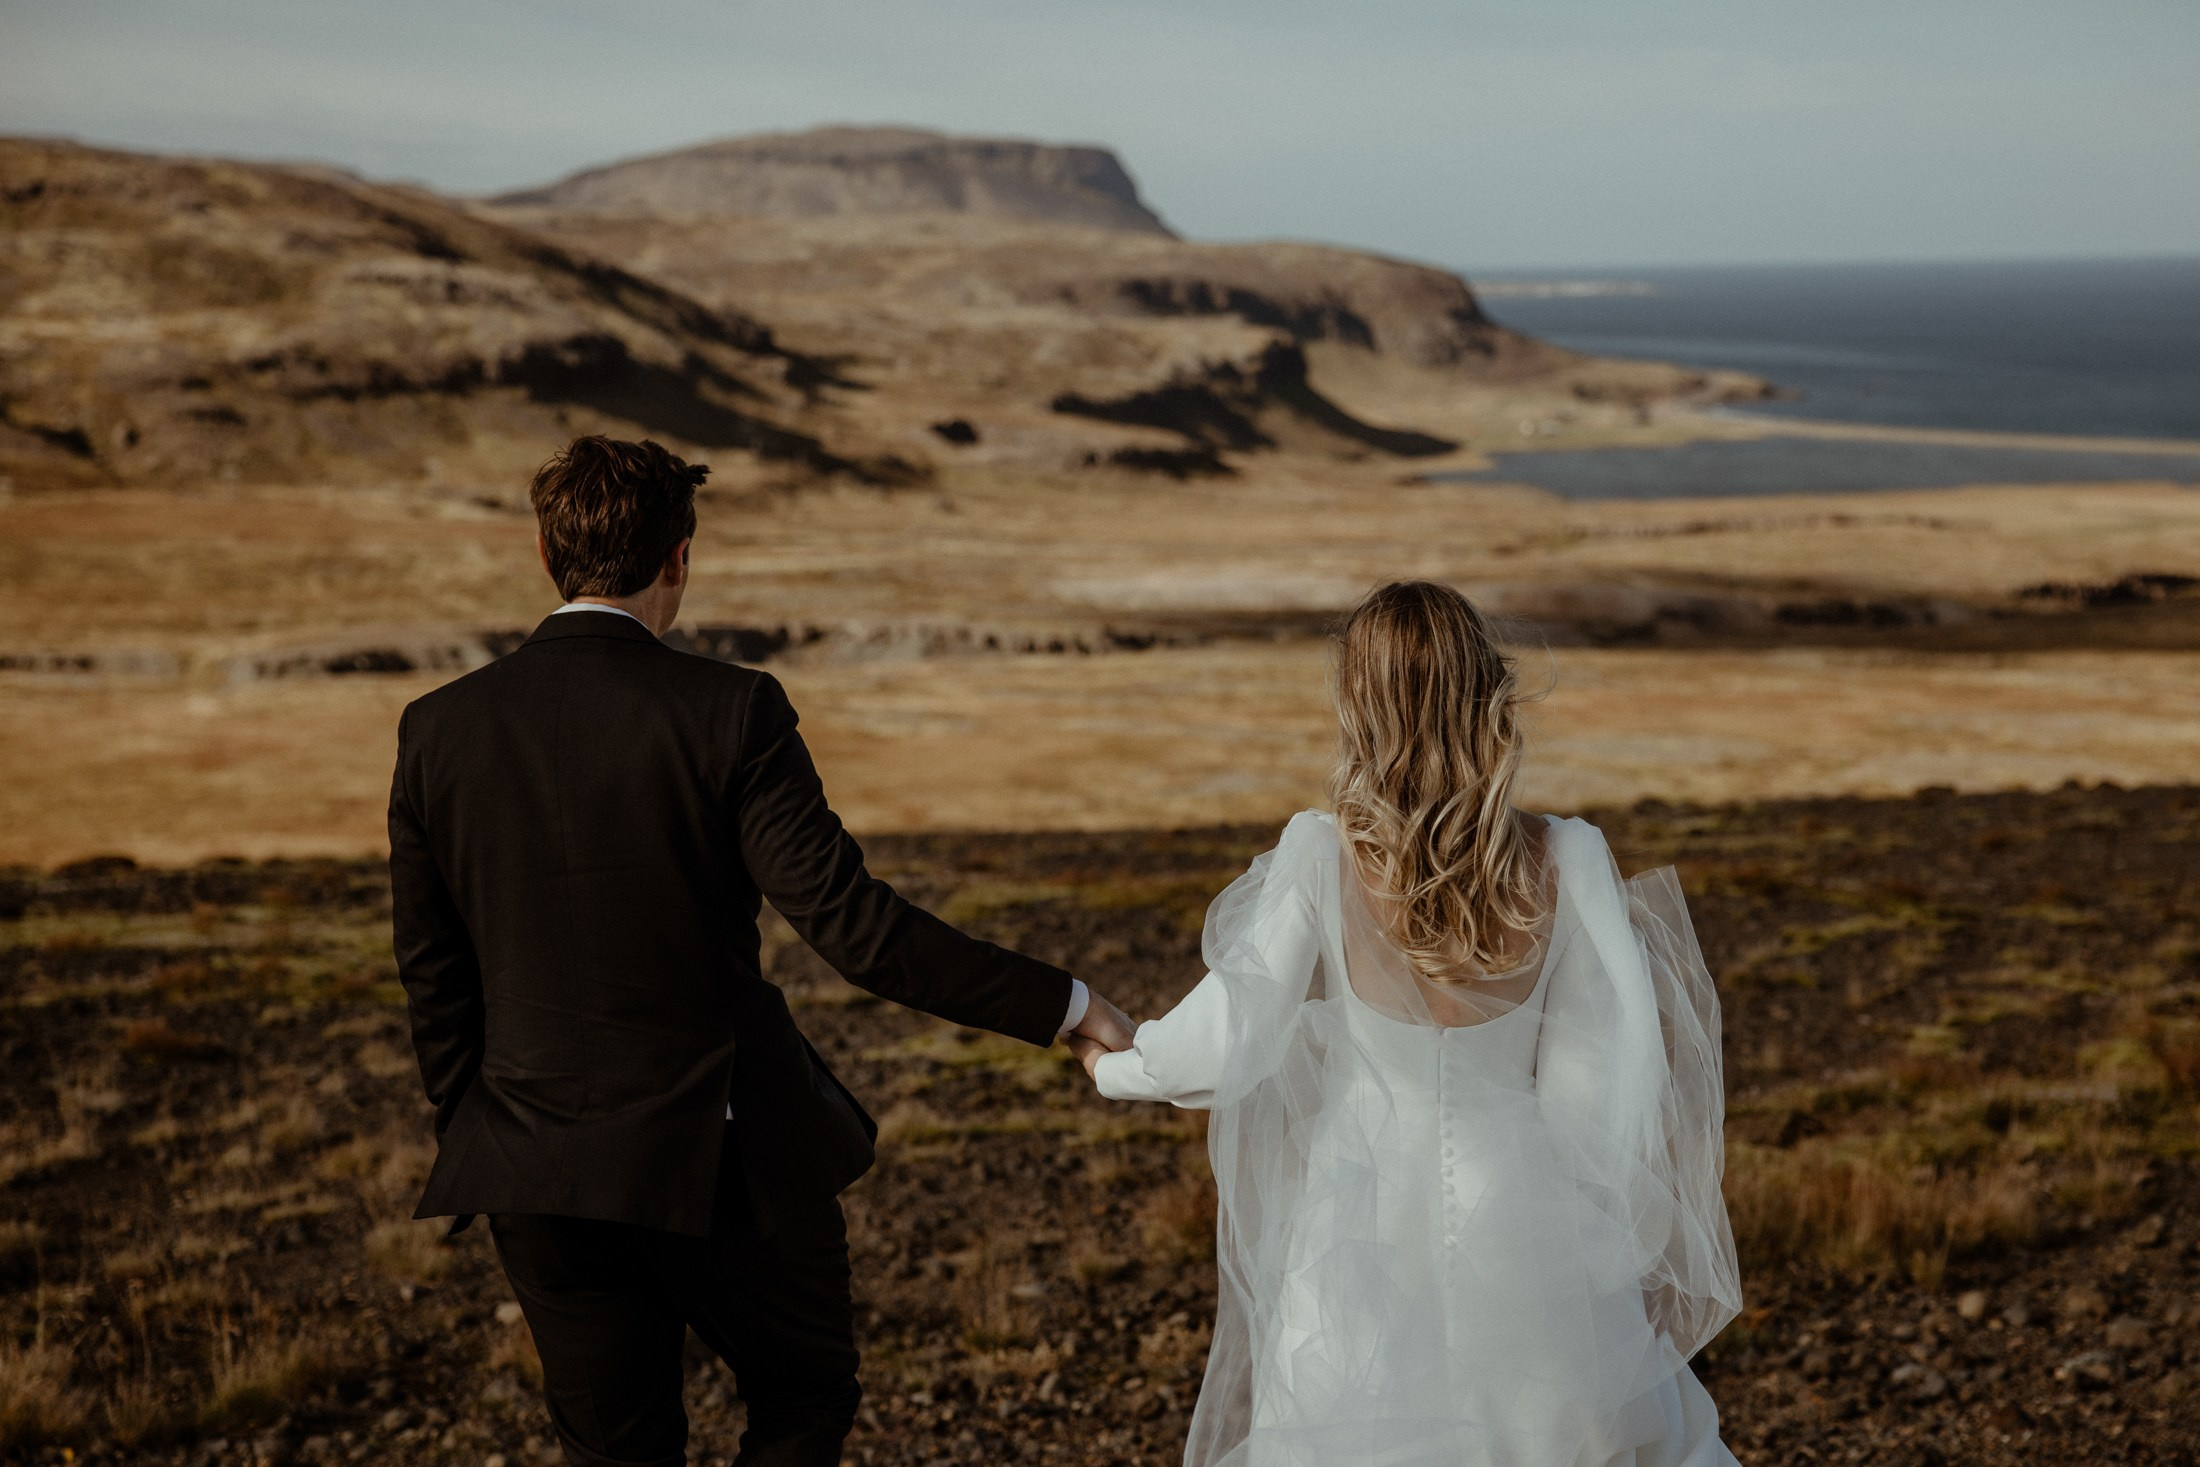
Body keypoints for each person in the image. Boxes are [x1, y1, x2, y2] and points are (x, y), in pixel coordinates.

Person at [387, 435, 1135, 1467]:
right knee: (803, 1397)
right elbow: (858, 932)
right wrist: (1071, 1008)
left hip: (530, 1169)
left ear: (545, 556)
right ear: (678, 560)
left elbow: (433, 975)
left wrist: (481, 1131)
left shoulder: (436, 729)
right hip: (721, 1163)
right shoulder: (730, 712)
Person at [1068, 580, 1743, 1467]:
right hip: (1525, 1216)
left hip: (1359, 1230)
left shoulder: (1320, 854)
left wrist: (1114, 1058)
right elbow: (1604, 1089)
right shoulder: (1567, 857)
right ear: (1484, 696)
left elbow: (1228, 1041)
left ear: (1360, 706)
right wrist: (1608, 1260)